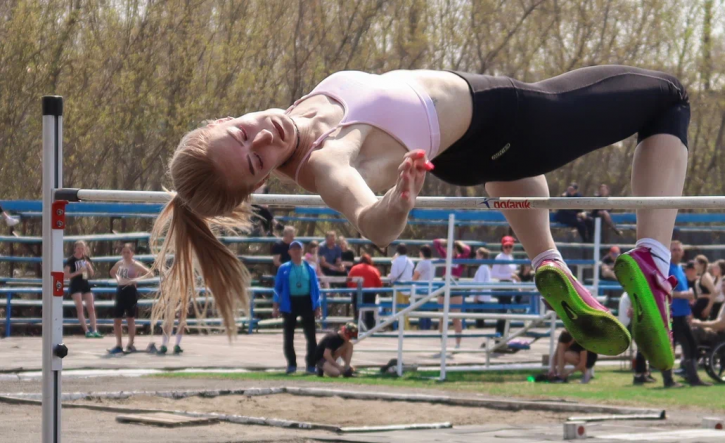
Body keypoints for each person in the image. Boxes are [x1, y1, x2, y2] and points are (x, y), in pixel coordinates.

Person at [153, 65, 690, 369]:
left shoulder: (296, 116)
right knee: (668, 98)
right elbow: (371, 222)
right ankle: (653, 261)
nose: (263, 137)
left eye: (243, 133)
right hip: (506, 118)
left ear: (225, 118)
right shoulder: (327, 161)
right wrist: (398, 200)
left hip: (467, 151)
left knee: (514, 175)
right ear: (260, 184)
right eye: (255, 160)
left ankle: (547, 261)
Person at [664, 241, 708, 387]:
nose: (677, 252)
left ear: (683, 252)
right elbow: (663, 292)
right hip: (673, 314)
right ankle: (680, 379)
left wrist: (689, 301)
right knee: (683, 345)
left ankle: (689, 377)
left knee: (688, 346)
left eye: (679, 250)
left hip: (682, 313)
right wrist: (682, 295)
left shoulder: (680, 269)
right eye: (674, 250)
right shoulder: (667, 269)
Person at [273, 240, 321, 373]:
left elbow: (316, 288)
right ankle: (291, 364)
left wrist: (317, 306)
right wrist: (275, 306)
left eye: (298, 249)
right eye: (293, 249)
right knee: (288, 335)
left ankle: (311, 365)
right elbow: (277, 288)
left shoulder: (309, 268)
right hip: (290, 302)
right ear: (289, 252)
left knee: (311, 336)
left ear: (302, 251)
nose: (296, 251)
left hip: (306, 302)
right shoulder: (284, 268)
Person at [108, 244, 150, 354]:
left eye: (128, 252)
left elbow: (149, 273)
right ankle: (118, 345)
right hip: (120, 291)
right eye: (124, 252)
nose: (126, 254)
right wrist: (117, 278)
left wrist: (136, 279)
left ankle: (130, 344)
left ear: (132, 253)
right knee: (117, 319)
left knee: (130, 318)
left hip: (130, 291)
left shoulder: (135, 264)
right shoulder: (119, 263)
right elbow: (112, 271)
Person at [434, 238, 472, 349]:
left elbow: (467, 250)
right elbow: (436, 243)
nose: (447, 250)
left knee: (456, 318)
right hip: (443, 284)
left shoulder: (460, 258)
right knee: (442, 317)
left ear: (455, 249)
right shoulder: (446, 256)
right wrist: (447, 241)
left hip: (454, 285)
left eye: (450, 248)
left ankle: (458, 344)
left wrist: (456, 243)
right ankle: (443, 344)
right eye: (447, 248)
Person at [64, 240, 102, 338]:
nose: (80, 250)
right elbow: (65, 275)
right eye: (78, 248)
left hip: (85, 284)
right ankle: (86, 331)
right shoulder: (71, 260)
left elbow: (92, 274)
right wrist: (78, 272)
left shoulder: (86, 258)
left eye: (82, 248)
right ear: (75, 249)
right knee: (80, 308)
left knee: (91, 307)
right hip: (75, 285)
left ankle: (94, 330)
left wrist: (89, 267)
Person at [694, 275, 725, 341]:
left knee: (695, 331)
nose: (724, 288)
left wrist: (700, 324)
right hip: (720, 334)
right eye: (723, 286)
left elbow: (722, 325)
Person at [618, 292, 653, 385]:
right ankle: (639, 375)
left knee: (643, 348)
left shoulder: (629, 293)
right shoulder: (632, 293)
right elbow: (633, 312)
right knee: (642, 348)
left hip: (629, 324)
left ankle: (644, 373)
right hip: (629, 325)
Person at [347, 253, 382, 330]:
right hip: (370, 294)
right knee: (370, 313)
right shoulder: (374, 269)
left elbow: (349, 282)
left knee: (357, 311)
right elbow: (379, 284)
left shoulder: (354, 268)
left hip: (357, 293)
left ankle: (355, 327)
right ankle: (370, 328)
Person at [491, 235, 518, 336]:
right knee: (503, 310)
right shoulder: (500, 257)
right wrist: (509, 276)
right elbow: (494, 273)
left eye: (510, 246)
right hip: (503, 285)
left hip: (510, 285)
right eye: (506, 246)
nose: (508, 248)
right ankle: (500, 333)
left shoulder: (510, 257)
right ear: (502, 247)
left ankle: (505, 334)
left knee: (507, 311)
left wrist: (515, 283)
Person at [388, 243, 415, 329]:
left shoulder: (396, 261)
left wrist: (389, 277)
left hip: (399, 288)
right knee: (406, 310)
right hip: (408, 288)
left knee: (400, 310)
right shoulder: (410, 261)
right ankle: (406, 328)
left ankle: (404, 329)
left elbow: (394, 275)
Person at [412, 245, 435, 330]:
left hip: (421, 289)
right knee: (427, 310)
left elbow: (415, 276)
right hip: (429, 289)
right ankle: (427, 328)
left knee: (422, 311)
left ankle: (423, 328)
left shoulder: (422, 263)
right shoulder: (432, 263)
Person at [471, 247, 493, 330]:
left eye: (477, 255)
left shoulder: (482, 267)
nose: (476, 257)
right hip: (483, 295)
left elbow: (480, 284)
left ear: (481, 255)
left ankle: (480, 328)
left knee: (479, 314)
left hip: (481, 296)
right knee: (479, 314)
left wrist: (476, 295)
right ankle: (480, 327)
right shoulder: (485, 267)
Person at [691, 255, 716, 320]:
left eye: (696, 264)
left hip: (704, 306)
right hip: (700, 305)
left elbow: (714, 292)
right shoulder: (701, 276)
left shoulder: (705, 276)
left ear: (702, 265)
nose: (694, 266)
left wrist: (708, 308)